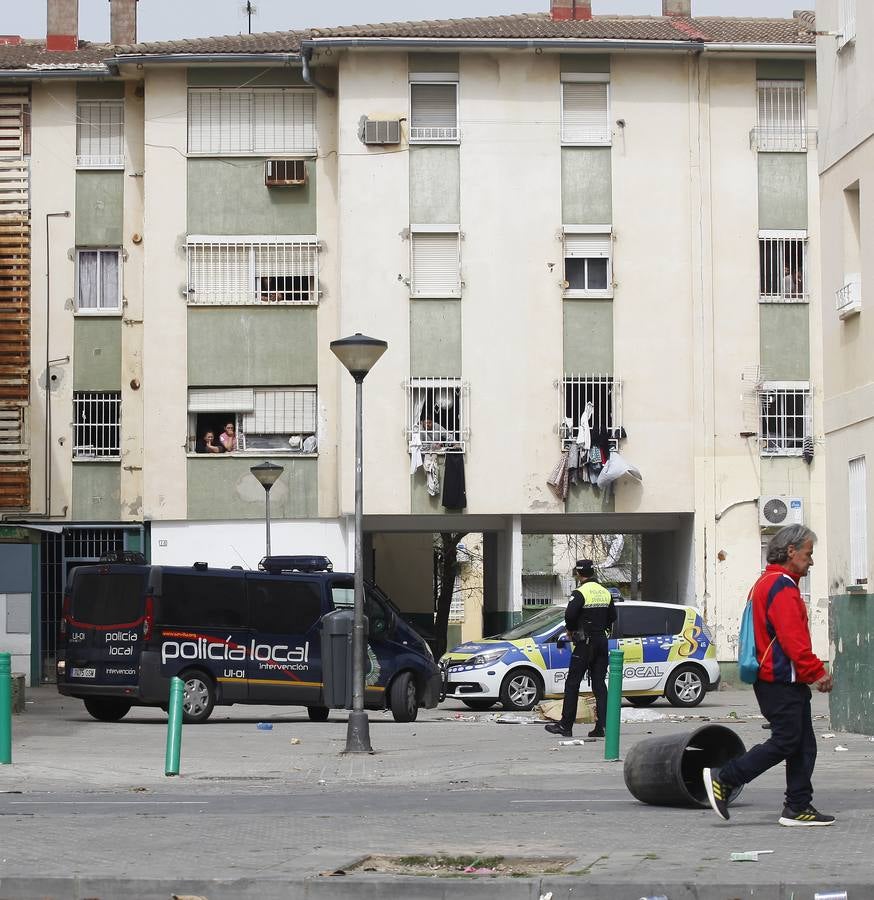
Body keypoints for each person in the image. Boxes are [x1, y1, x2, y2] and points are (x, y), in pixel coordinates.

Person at [704, 524, 835, 827]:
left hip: (780, 680)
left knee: (802, 744)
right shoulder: (782, 586)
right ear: (791, 552)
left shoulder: (766, 582)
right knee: (787, 740)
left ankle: (798, 807)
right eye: (808, 554)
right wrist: (817, 672)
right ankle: (725, 778)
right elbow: (792, 639)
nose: (811, 561)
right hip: (780, 680)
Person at [545, 559, 616, 739]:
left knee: (572, 683)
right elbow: (612, 616)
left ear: (578, 573)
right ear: (592, 572)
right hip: (601, 641)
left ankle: (565, 726)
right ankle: (603, 726)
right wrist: (603, 630)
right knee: (599, 685)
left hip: (585, 644)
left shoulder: (580, 592)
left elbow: (569, 615)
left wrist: (571, 631)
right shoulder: (605, 592)